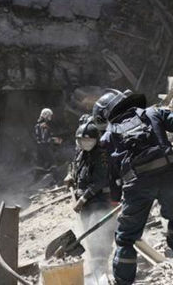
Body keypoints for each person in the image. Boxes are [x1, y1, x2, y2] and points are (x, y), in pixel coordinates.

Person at [93, 89, 173, 285]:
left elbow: (113, 177)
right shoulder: (152, 112)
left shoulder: (108, 137)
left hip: (137, 185)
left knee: (125, 238)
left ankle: (123, 282)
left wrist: (116, 200)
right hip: (168, 175)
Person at [64, 115, 113, 278]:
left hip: (99, 201)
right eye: (81, 141)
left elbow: (100, 181)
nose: (84, 144)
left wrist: (82, 199)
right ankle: (95, 267)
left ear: (95, 140)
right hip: (84, 202)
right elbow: (75, 167)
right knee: (88, 236)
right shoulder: (80, 152)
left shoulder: (101, 155)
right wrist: (70, 176)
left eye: (88, 141)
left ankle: (102, 270)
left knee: (98, 235)